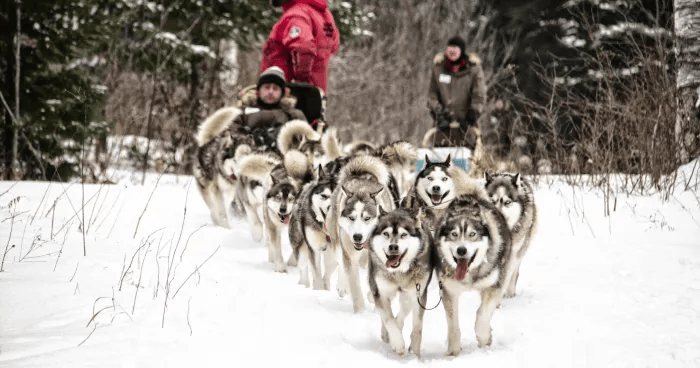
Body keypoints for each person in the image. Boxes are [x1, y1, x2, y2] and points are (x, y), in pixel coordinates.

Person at [260, 0, 340, 130]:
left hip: (288, 99)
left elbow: (305, 47)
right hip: (316, 95)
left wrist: (301, 82)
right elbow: (334, 45)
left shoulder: (296, 14)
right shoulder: (324, 14)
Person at [427, 36, 487, 149]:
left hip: (467, 129)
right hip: (442, 128)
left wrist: (472, 115)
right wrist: (439, 115)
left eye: (456, 48)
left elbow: (479, 96)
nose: (452, 50)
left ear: (462, 50)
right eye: (450, 47)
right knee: (440, 163)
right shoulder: (438, 68)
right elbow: (432, 95)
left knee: (466, 163)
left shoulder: (474, 69)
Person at [235, 66, 307, 154]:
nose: (271, 92)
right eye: (267, 87)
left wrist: (281, 136)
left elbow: (305, 141)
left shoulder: (294, 115)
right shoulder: (241, 112)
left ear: (282, 93)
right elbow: (229, 135)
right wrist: (249, 139)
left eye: (275, 88)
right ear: (258, 91)